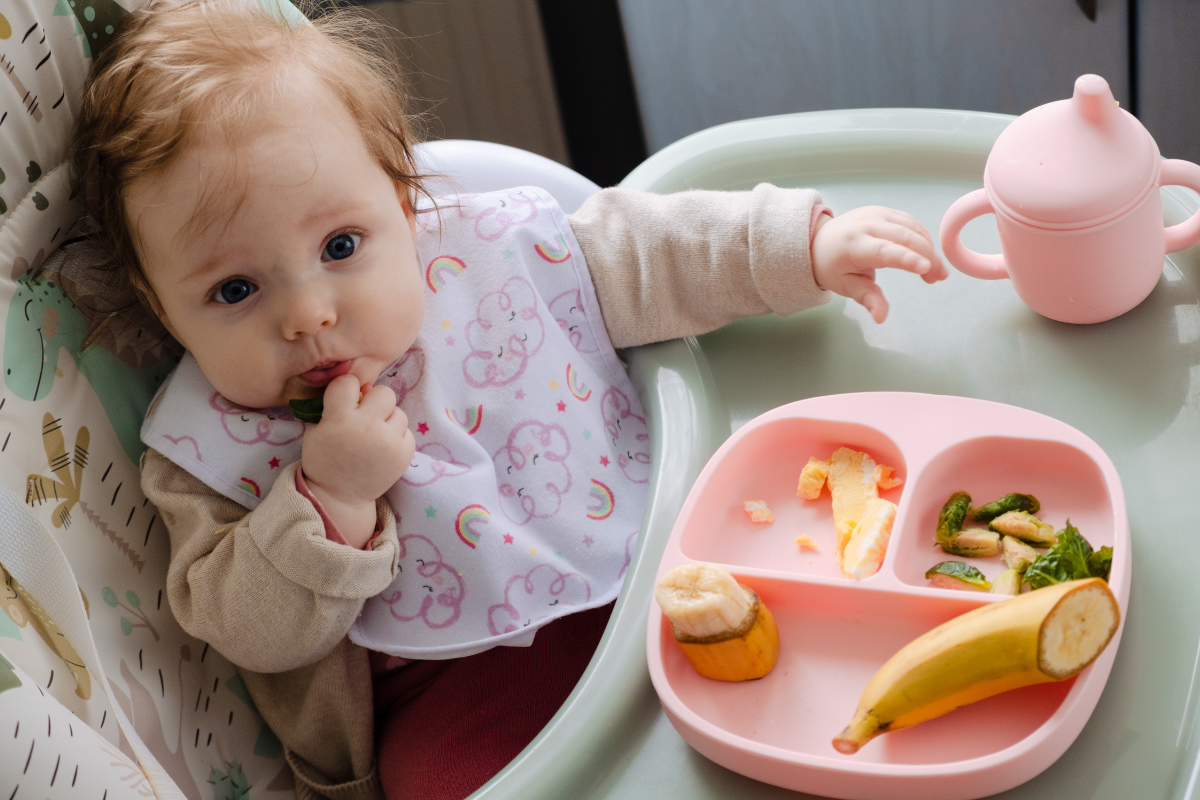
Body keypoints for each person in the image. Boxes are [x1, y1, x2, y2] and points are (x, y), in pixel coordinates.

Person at [71, 1, 948, 798]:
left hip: (650, 568)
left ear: (405, 204)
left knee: (816, 669)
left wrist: (800, 245)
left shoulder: (491, 255)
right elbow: (246, 629)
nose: (309, 314)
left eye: (341, 243)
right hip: (448, 692)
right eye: (232, 291)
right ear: (163, 308)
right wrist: (329, 501)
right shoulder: (197, 451)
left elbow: (654, 252)